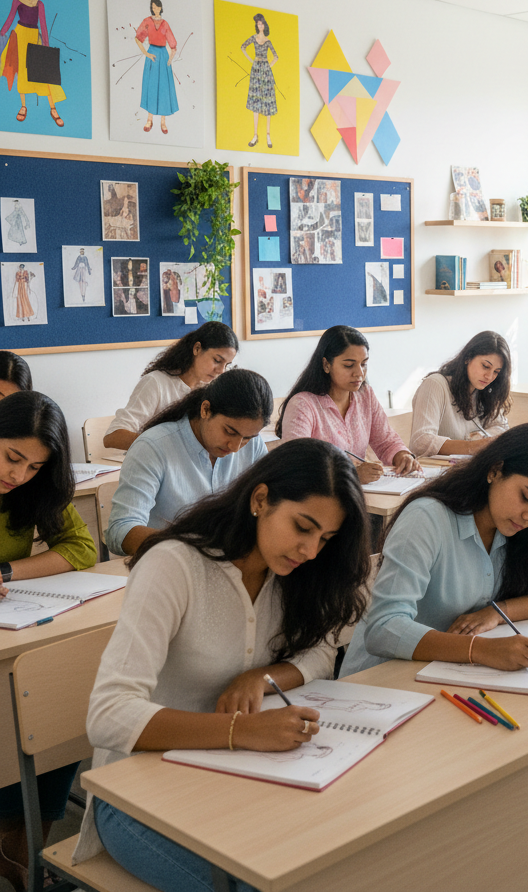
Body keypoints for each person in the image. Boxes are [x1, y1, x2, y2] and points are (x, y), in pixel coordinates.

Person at [74, 439, 373, 890]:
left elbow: (319, 653)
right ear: (260, 499)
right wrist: (241, 732)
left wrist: (261, 677)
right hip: (136, 794)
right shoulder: (175, 566)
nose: (311, 551)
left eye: (325, 539)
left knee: (338, 859)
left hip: (241, 780)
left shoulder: (297, 574)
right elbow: (108, 715)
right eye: (302, 527)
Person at [340, 422, 528, 677]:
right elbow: (384, 629)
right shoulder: (427, 518)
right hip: (381, 680)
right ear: (495, 470)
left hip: (446, 674)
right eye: (527, 497)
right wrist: (480, 650)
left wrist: (498, 612)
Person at [0, 392, 97, 889]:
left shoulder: (25, 491)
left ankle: (21, 844)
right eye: (12, 457)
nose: (19, 476)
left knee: (57, 713)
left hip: (13, 633)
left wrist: (6, 570)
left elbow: (80, 548)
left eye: (35, 466)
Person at [105, 369, 272, 556]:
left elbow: (269, 509)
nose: (235, 447)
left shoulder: (254, 445)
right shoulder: (153, 446)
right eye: (229, 432)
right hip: (169, 566)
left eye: (247, 438)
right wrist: (190, 548)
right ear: (205, 409)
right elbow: (120, 530)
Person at [277, 326, 418, 483]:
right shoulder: (302, 405)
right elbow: (295, 465)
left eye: (364, 364)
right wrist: (351, 474)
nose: (359, 373)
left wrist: (402, 454)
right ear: (326, 365)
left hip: (357, 494)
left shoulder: (365, 395)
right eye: (349, 365)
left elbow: (385, 440)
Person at [104, 321, 239, 450]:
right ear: (197, 348)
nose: (221, 371)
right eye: (217, 360)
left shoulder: (212, 389)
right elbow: (112, 437)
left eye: (227, 365)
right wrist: (164, 446)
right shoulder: (156, 383)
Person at [409, 331, 512, 457]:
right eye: (485, 366)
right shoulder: (435, 384)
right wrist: (473, 446)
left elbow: (501, 428)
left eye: (496, 372)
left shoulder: (485, 389)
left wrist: (480, 437)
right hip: (437, 472)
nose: (489, 376)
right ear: (468, 357)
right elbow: (420, 442)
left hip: (468, 469)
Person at [0, 0, 66, 127]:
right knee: (22, 71)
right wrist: (2, 32)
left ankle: (53, 108)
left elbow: (42, 23)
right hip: (20, 35)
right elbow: (10, 18)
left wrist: (46, 45)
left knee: (44, 73)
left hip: (34, 37)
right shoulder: (17, 0)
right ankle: (23, 106)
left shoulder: (39, 2)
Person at [134, 0, 178, 135]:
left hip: (163, 56)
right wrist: (146, 54)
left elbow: (173, 44)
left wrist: (170, 59)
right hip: (152, 54)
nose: (155, 9)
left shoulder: (165, 24)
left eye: (157, 6)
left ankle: (163, 121)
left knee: (164, 88)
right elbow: (138, 38)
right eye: (153, 7)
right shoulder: (147, 21)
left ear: (160, 7)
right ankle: (149, 119)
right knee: (152, 87)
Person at [241, 13, 277, 149]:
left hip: (265, 72)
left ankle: (268, 134)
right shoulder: (253, 38)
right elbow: (243, 47)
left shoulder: (267, 41)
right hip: (256, 71)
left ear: (264, 25)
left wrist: (268, 66)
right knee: (256, 102)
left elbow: (276, 57)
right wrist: (252, 61)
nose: (259, 25)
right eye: (258, 24)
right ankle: (255, 135)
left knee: (267, 101)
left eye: (261, 23)